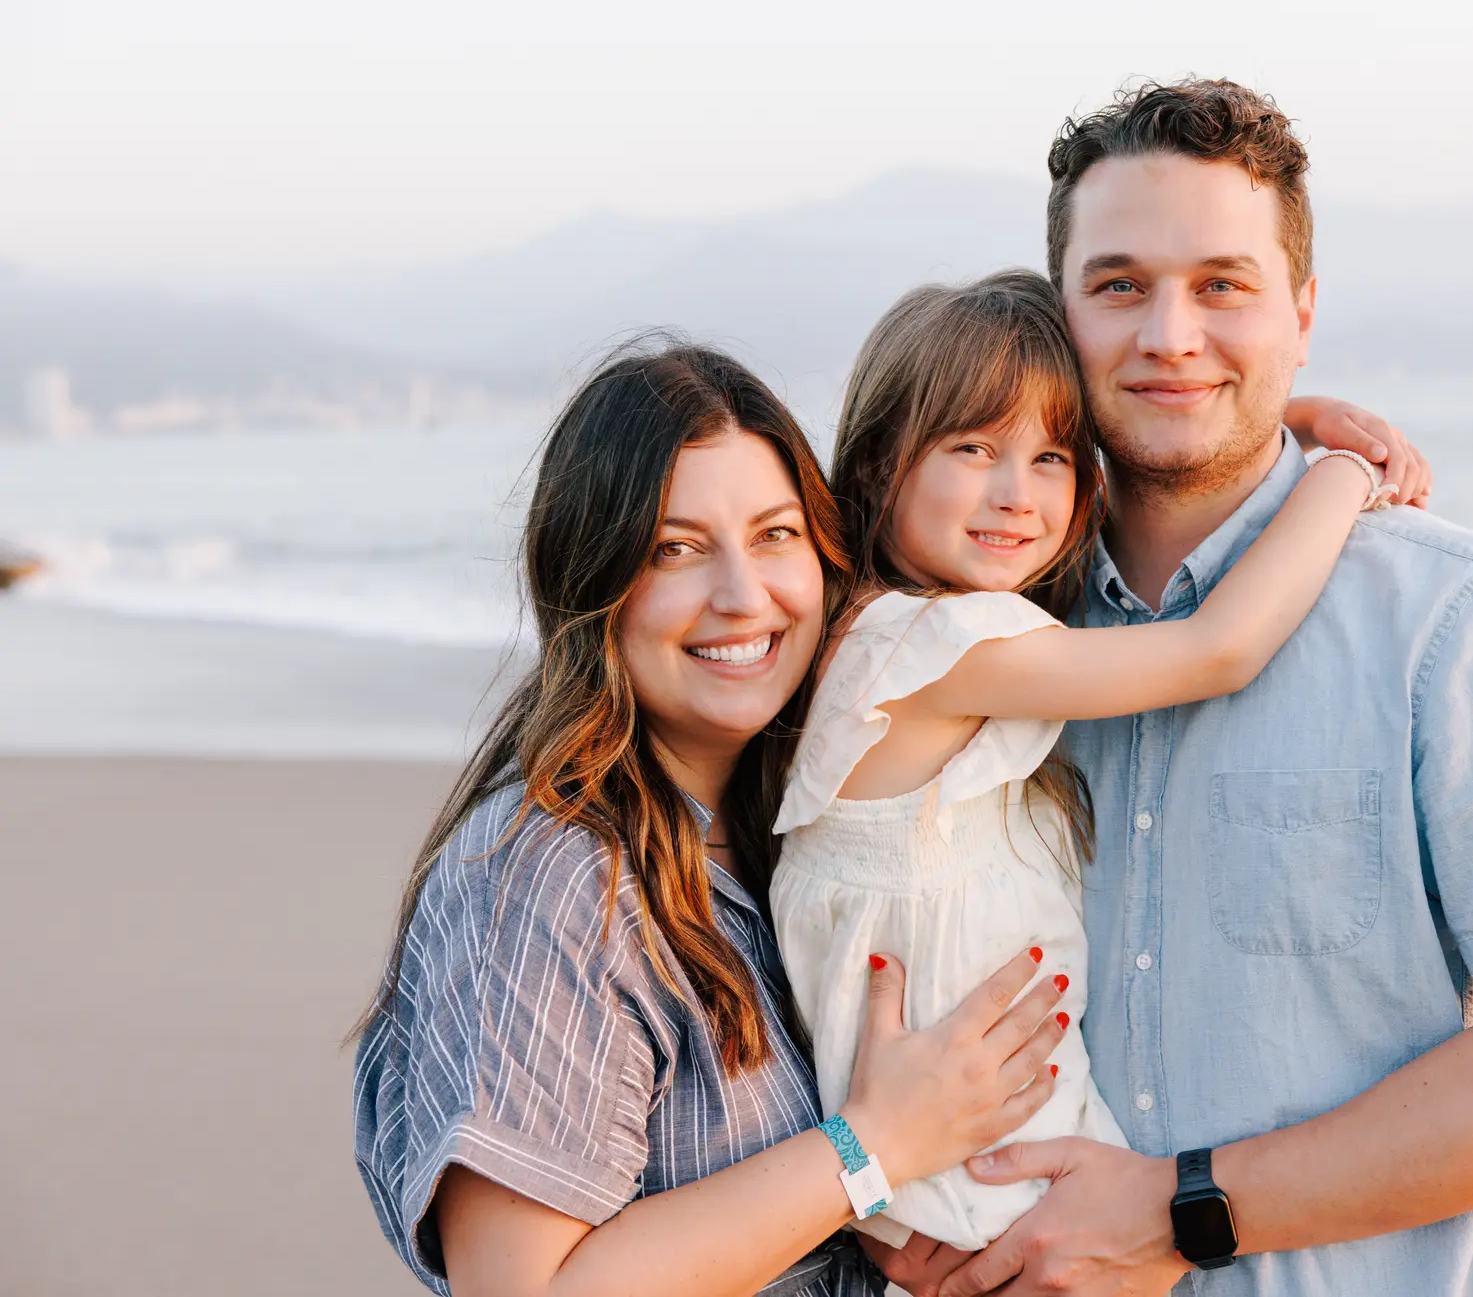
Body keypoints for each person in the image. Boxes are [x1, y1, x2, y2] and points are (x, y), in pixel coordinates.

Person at [864, 79, 1473, 1297]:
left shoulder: (1460, 619)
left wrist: (1182, 1210)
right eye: (1119, 286)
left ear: (1299, 312)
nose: (1170, 335)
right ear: (1058, 320)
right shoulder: (983, 627)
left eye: (1223, 286)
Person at [351, 344, 1075, 1297]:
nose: (744, 596)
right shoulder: (553, 882)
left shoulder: (801, 814)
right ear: (592, 582)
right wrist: (874, 1148)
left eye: (775, 535)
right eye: (676, 549)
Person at [769, 271, 1391, 1254]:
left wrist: (1281, 423)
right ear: (883, 460)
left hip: (973, 1164)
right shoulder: (929, 649)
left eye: (1050, 455)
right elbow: (1215, 649)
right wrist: (1338, 473)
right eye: (971, 448)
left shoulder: (905, 631)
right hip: (978, 1187)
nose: (1016, 493)